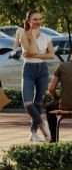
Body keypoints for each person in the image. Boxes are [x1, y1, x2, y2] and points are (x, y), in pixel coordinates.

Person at [15, 11, 56, 142]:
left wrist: (35, 55)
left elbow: (51, 55)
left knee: (38, 102)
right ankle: (43, 126)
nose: (38, 22)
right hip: (28, 69)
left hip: (42, 70)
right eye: (35, 19)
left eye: (40, 19)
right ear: (29, 21)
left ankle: (33, 133)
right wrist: (33, 37)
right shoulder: (23, 36)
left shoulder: (46, 37)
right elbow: (31, 51)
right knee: (28, 103)